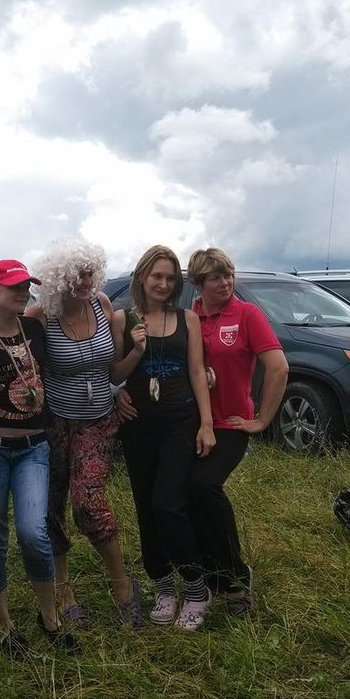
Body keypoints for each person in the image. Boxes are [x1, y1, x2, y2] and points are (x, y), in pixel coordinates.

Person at [0, 259, 79, 656]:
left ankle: (49, 617)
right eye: (13, 286)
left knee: (33, 532)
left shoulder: (34, 327)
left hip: (34, 448)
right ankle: (4, 624)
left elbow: (75, 305)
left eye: (26, 286)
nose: (22, 292)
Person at [25, 238, 142, 628]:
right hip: (55, 422)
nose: (85, 281)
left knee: (88, 503)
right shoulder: (41, 315)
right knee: (52, 505)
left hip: (98, 419)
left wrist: (122, 385)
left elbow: (114, 369)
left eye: (90, 273)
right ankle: (63, 588)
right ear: (58, 278)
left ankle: (122, 583)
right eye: (76, 275)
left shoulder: (103, 305)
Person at [110, 245, 217, 631]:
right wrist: (137, 351)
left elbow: (196, 371)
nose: (164, 283)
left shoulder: (187, 318)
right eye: (157, 276)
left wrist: (206, 423)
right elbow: (115, 374)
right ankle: (163, 585)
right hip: (138, 423)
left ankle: (196, 586)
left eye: (171, 278)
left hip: (180, 420)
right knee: (145, 505)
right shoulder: (122, 318)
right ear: (142, 277)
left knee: (168, 502)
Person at [187, 247, 288, 613]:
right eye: (215, 277)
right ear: (199, 283)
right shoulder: (191, 316)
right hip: (196, 422)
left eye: (228, 275)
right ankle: (208, 575)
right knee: (187, 494)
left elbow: (278, 367)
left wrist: (262, 419)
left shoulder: (246, 314)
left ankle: (235, 578)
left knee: (204, 485)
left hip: (230, 424)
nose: (225, 282)